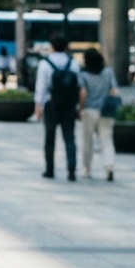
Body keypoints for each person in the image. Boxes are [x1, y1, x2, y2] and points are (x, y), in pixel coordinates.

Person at [34, 35, 81, 181]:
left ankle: (50, 169)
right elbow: (78, 86)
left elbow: (41, 87)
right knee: (70, 138)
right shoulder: (73, 63)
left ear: (52, 46)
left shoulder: (45, 64)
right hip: (69, 106)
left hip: (51, 105)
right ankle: (71, 170)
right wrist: (78, 106)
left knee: (50, 138)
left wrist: (38, 106)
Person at [78, 47, 119, 181]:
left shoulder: (83, 74)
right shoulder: (108, 72)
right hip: (106, 111)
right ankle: (109, 166)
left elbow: (83, 93)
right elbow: (114, 90)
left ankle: (87, 168)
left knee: (87, 141)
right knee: (107, 140)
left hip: (89, 111)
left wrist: (80, 109)